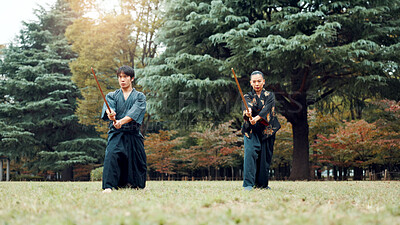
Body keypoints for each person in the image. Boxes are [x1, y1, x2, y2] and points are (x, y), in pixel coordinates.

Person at [101, 65, 147, 193]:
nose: (122, 80)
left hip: (133, 133)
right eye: (120, 77)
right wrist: (111, 114)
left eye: (125, 77)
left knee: (137, 161)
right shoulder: (111, 95)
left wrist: (121, 121)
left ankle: (135, 185)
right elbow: (109, 107)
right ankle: (109, 186)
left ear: (131, 78)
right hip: (116, 133)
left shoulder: (139, 97)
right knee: (112, 156)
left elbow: (135, 112)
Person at [242, 71, 280, 190]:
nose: (257, 84)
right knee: (250, 154)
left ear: (263, 81)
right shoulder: (247, 96)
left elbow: (267, 109)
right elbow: (247, 106)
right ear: (250, 83)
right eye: (254, 81)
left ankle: (262, 184)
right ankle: (248, 184)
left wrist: (256, 118)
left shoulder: (270, 95)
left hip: (267, 130)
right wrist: (248, 113)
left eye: (259, 81)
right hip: (251, 130)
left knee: (264, 158)